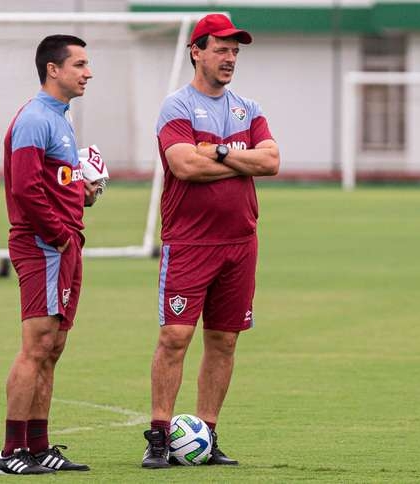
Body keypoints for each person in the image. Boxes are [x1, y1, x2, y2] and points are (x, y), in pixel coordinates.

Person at [142, 14, 280, 469]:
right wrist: (243, 158)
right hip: (189, 243)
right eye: (222, 49)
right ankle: (159, 437)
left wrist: (218, 150)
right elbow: (184, 166)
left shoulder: (248, 108)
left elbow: (273, 161)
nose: (230, 58)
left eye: (236, 51)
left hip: (240, 243)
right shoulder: (177, 107)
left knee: (224, 342)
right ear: (196, 51)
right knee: (175, 337)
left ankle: (207, 432)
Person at [0, 34, 100, 475]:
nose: (87, 72)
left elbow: (51, 180)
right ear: (52, 69)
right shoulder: (36, 117)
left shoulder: (60, 117)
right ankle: (10, 452)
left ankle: (38, 446)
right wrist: (58, 234)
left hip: (62, 243)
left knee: (53, 346)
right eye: (78, 64)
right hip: (44, 245)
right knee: (36, 346)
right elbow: (24, 186)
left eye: (86, 64)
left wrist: (81, 191)